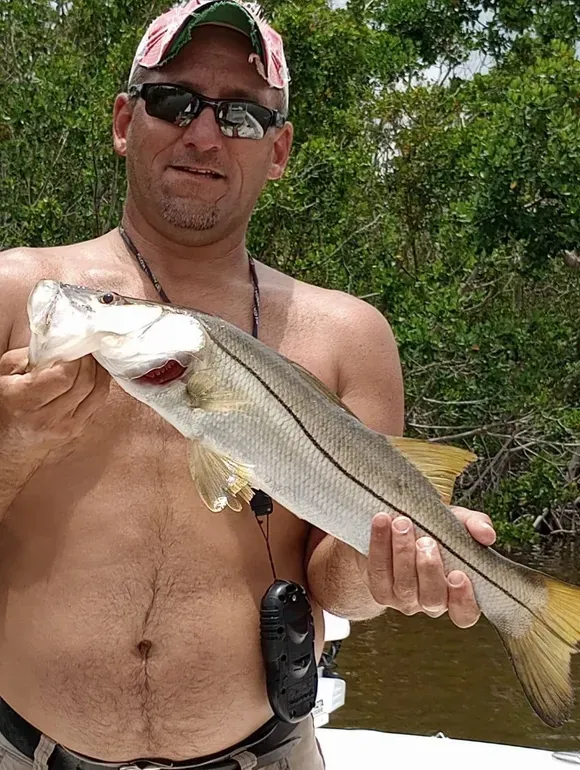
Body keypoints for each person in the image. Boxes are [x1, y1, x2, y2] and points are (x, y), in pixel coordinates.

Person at [0, 1, 497, 768]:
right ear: (124, 121)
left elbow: (335, 579)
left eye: (241, 116)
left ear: (280, 150)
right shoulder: (13, 295)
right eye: (174, 101)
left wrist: (381, 574)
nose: (203, 134)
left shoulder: (349, 336)